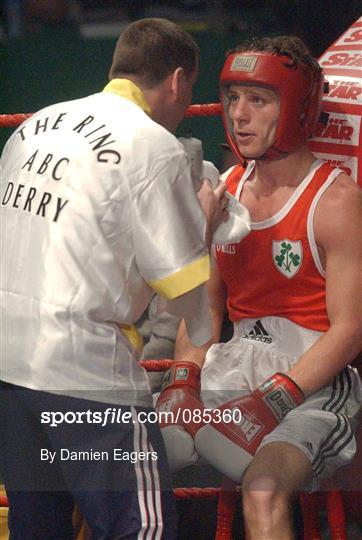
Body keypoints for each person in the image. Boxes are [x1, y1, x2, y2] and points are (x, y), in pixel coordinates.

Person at [0, 17, 228, 540]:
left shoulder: (33, 126)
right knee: (142, 530)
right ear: (176, 81)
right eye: (189, 89)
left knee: (38, 528)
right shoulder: (154, 146)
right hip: (86, 376)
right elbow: (186, 289)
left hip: (10, 369)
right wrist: (204, 226)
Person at [155, 35, 362, 539]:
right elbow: (204, 309)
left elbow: (350, 330)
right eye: (232, 98)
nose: (238, 115)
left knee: (264, 490)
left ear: (295, 108)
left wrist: (276, 397)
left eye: (258, 99)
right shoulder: (223, 193)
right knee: (121, 462)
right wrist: (183, 376)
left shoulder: (335, 201)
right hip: (234, 365)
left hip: (314, 382)